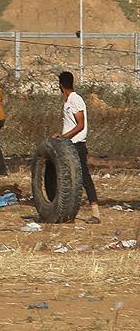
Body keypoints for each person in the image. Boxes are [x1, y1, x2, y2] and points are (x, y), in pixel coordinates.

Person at [53, 71, 100, 224]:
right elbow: (71, 125)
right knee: (68, 178)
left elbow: (80, 125)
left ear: (61, 85)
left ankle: (96, 214)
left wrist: (64, 137)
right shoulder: (67, 102)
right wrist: (61, 135)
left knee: (84, 178)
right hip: (68, 145)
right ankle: (68, 212)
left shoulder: (75, 99)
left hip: (77, 145)